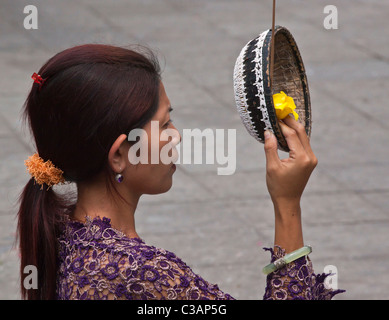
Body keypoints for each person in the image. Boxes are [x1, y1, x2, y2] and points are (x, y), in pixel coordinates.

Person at [17, 44, 344, 300]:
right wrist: (287, 206)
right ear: (118, 155)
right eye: (164, 124)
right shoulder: (139, 272)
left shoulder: (66, 235)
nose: (177, 135)